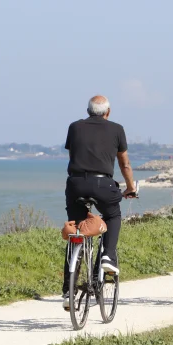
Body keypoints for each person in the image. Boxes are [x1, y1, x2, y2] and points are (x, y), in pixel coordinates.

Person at [61, 95, 137, 309]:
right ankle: (108, 256)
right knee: (112, 215)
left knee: (76, 229)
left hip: (76, 184)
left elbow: (74, 153)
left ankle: (69, 290)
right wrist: (130, 188)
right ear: (108, 112)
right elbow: (125, 164)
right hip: (103, 185)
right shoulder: (117, 129)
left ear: (87, 111)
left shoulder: (74, 127)